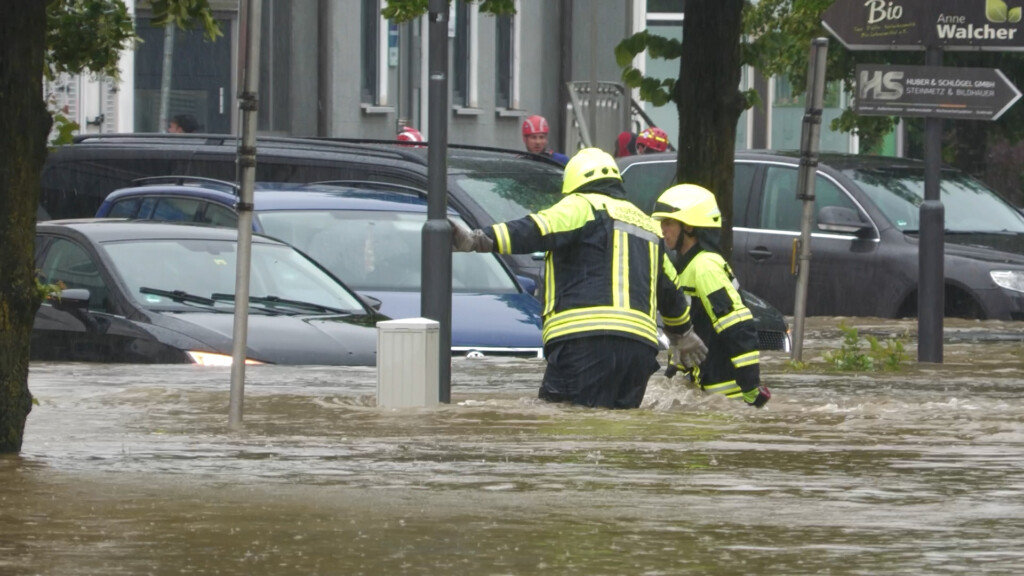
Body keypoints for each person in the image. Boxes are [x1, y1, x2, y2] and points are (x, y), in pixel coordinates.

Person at [450, 147, 707, 409]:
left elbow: (536, 229)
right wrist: (682, 333)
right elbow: (669, 289)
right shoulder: (647, 225)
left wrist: (478, 240)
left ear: (574, 182)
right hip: (638, 351)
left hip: (585, 344)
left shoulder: (581, 205)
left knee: (564, 431)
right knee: (619, 436)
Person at [651, 183, 771, 408]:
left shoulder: (705, 266)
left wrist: (750, 388)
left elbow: (738, 327)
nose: (662, 230)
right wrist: (672, 377)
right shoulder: (684, 268)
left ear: (688, 226)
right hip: (704, 394)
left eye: (668, 223)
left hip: (725, 398)